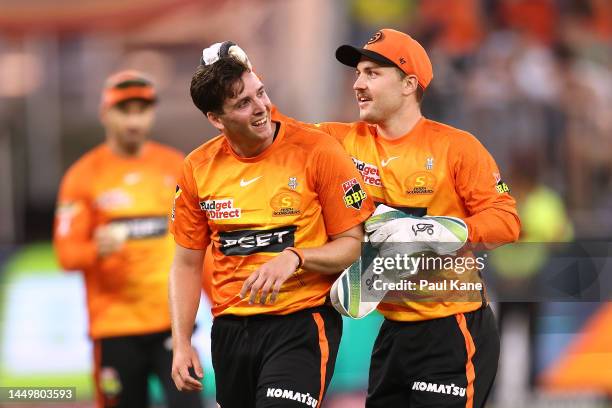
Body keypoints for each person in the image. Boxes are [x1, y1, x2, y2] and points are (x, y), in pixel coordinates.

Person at [314, 28, 521, 408]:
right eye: (357, 73)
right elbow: (278, 138)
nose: (358, 84)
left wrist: (439, 230)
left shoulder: (456, 147)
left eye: (372, 74)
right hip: (393, 332)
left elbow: (506, 222)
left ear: (409, 84)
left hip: (452, 328)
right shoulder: (337, 141)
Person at [168, 50, 374, 408]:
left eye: (260, 92)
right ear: (217, 119)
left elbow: (354, 246)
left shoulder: (317, 150)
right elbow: (186, 263)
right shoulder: (197, 168)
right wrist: (182, 342)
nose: (261, 106)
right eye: (244, 103)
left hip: (302, 322)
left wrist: (295, 258)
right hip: (231, 330)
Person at [53, 70, 203, 408]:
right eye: (125, 110)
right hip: (115, 328)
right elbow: (66, 255)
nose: (135, 119)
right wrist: (95, 249)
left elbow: (194, 247)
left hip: (172, 325)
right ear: (106, 113)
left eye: (142, 109)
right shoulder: (82, 176)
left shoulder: (176, 166)